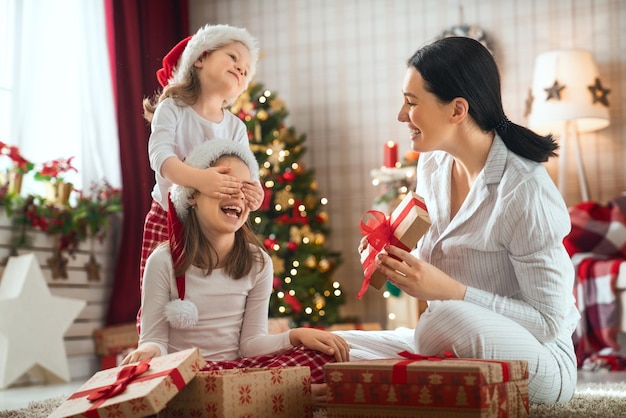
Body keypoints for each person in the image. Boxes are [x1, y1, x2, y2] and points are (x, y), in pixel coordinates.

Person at [335, 36, 580, 404]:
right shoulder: (432, 164)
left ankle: (412, 369)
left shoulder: (524, 190)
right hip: (454, 341)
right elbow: (437, 253)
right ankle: (413, 370)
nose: (402, 116)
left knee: (440, 321)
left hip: (541, 360)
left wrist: (453, 292)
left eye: (411, 103)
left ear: (457, 109)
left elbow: (549, 324)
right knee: (331, 346)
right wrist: (388, 253)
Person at [122, 139, 349, 405]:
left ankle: (265, 395)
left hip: (239, 372)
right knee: (169, 378)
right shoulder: (163, 261)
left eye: (245, 188)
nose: (238, 194)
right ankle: (279, 395)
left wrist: (296, 336)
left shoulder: (258, 262)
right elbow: (155, 340)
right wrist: (147, 351)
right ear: (192, 195)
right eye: (225, 184)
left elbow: (251, 344)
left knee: (323, 356)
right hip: (187, 376)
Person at [138, 24, 265, 330]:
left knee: (207, 296)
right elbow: (161, 159)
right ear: (200, 58)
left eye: (246, 70)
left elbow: (250, 173)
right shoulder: (173, 109)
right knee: (158, 294)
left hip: (214, 228)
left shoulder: (236, 128)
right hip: (169, 217)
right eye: (232, 56)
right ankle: (153, 350)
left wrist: (255, 193)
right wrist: (200, 180)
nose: (240, 67)